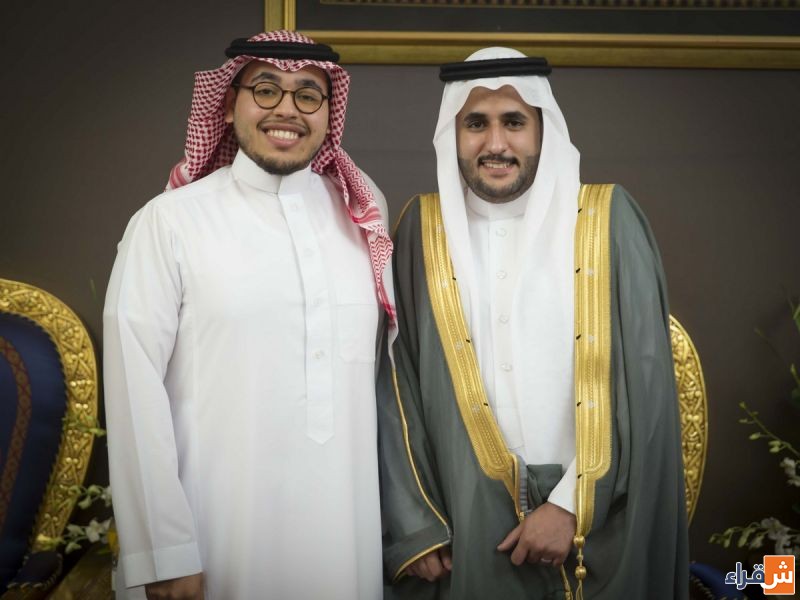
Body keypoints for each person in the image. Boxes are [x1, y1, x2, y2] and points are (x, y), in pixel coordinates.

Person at [378, 47, 689, 599]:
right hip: (466, 525)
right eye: (476, 123)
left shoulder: (608, 220)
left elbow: (646, 389)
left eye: (514, 122)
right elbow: (395, 386)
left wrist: (570, 506)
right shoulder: (421, 231)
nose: (495, 144)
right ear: (453, 133)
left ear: (544, 129)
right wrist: (417, 527)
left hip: (599, 522)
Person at [103, 30, 394, 600]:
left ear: (329, 112)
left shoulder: (362, 214)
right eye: (265, 89)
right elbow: (134, 393)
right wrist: (164, 552)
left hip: (343, 539)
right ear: (228, 103)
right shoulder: (169, 222)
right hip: (211, 540)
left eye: (307, 95)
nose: (287, 109)